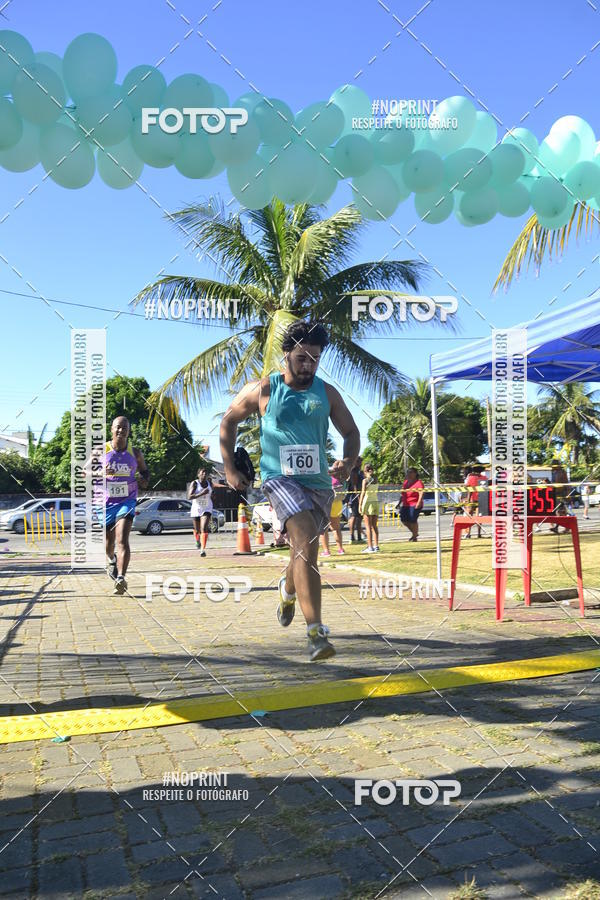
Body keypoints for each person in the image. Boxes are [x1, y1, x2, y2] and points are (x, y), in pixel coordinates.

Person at [220, 320, 360, 662]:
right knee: (306, 538)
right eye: (302, 357)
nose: (308, 365)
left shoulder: (326, 393)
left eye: (314, 358)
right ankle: (316, 633)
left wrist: (350, 460)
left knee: (303, 549)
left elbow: (351, 431)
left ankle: (287, 588)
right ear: (287, 354)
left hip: (318, 484)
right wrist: (229, 468)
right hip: (278, 479)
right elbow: (228, 421)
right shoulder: (265, 389)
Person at [102, 417, 149, 594]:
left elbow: (145, 472)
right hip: (106, 503)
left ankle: (121, 578)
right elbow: (85, 472)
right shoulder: (101, 451)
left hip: (127, 500)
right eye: (118, 427)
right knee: (109, 543)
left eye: (125, 428)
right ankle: (112, 559)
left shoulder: (135, 453)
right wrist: (101, 471)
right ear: (111, 430)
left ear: (129, 431)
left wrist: (144, 480)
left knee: (122, 539)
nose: (121, 431)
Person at [187, 467, 213, 556]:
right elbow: (189, 497)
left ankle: (202, 550)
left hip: (207, 508)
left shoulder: (210, 483)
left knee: (204, 528)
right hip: (196, 509)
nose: (204, 474)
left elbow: (212, 495)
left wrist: (214, 496)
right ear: (198, 474)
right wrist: (202, 493)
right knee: (197, 530)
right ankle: (198, 541)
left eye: (205, 473)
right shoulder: (194, 483)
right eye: (202, 473)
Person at [321, 472, 344, 557]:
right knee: (336, 528)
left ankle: (326, 551)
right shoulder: (337, 480)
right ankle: (340, 549)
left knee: (323, 529)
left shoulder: (323, 480)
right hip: (337, 504)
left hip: (326, 504)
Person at [358, 463, 380, 552]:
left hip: (367, 503)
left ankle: (370, 547)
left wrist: (360, 504)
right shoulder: (376, 479)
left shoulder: (365, 480)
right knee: (374, 526)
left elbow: (363, 493)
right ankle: (376, 546)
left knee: (368, 526)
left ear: (365, 471)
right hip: (375, 502)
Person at [399, 467, 424, 542]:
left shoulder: (418, 483)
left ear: (415, 474)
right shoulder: (406, 482)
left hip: (414, 503)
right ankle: (415, 533)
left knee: (413, 520)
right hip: (406, 504)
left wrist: (419, 502)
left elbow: (421, 493)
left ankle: (414, 536)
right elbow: (402, 494)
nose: (409, 474)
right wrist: (399, 503)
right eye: (408, 472)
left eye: (411, 472)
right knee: (404, 520)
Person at [346, 457, 365, 543]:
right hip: (355, 497)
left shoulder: (360, 472)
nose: (360, 463)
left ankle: (359, 537)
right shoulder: (353, 471)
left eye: (361, 461)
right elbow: (354, 485)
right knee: (354, 516)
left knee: (359, 518)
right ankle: (352, 537)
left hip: (360, 496)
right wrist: (358, 497)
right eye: (358, 461)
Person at [462, 466, 484, 539]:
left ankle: (468, 534)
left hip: (471, 499)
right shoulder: (484, 478)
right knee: (479, 517)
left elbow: (468, 488)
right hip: (481, 499)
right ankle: (479, 533)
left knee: (469, 517)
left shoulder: (471, 477)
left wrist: (467, 499)